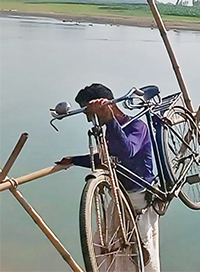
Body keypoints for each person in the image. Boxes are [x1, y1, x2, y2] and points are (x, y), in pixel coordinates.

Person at [56, 83, 160, 271]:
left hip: (139, 201)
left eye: (91, 112)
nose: (89, 119)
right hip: (121, 200)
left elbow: (126, 151)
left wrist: (110, 118)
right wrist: (74, 160)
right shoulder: (110, 131)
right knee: (107, 250)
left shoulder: (137, 126)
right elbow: (108, 159)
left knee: (142, 257)